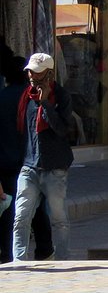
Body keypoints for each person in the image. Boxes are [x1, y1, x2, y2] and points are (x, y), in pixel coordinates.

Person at [12, 53, 73, 261]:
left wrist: (46, 103)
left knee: (59, 218)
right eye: (30, 71)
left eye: (37, 73)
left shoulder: (62, 97)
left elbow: (63, 130)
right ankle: (19, 262)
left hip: (55, 167)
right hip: (29, 166)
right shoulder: (26, 97)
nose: (32, 76)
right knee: (21, 216)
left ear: (49, 74)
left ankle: (63, 259)